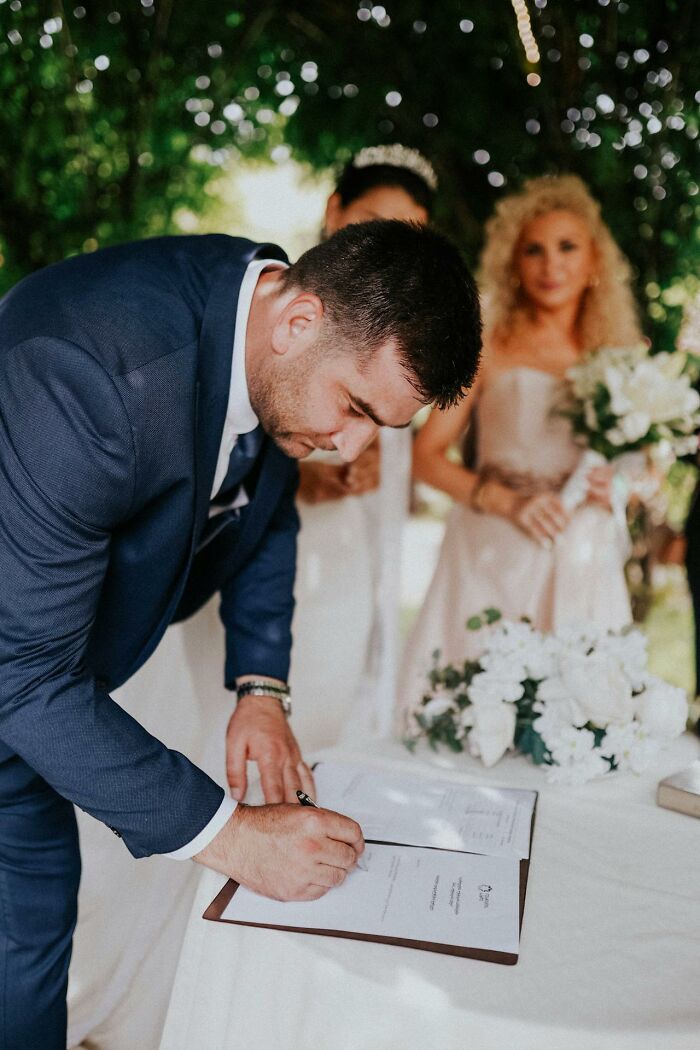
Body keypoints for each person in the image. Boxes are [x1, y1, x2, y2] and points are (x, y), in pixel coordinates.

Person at [0, 220, 481, 1047]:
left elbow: (260, 511)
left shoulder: (266, 325)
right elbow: (25, 676)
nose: (347, 448)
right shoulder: (88, 375)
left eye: (380, 429)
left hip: (39, 689)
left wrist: (260, 688)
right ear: (298, 322)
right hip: (25, 673)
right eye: (356, 410)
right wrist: (233, 837)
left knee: (32, 918)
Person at [398, 174, 642, 719]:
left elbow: (639, 470)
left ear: (594, 261)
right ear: (513, 260)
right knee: (475, 707)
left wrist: (620, 485)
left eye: (567, 247)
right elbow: (426, 454)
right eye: (533, 249)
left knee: (577, 717)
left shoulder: (619, 357)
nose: (550, 264)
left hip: (582, 555)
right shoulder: (487, 342)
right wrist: (509, 503)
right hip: (490, 550)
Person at [291, 145, 437, 749]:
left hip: (348, 545)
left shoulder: (404, 331)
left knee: (328, 683)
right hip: (260, 536)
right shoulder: (284, 303)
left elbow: (397, 439)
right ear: (334, 211)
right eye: (370, 221)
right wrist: (298, 479)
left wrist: (377, 460)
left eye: (408, 235)